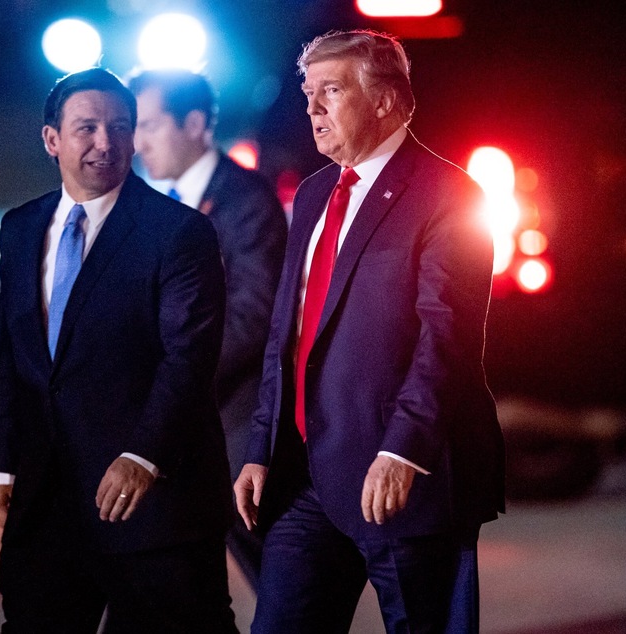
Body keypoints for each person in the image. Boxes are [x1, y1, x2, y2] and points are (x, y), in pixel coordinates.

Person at [233, 30, 506, 633]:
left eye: (330, 91)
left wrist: (402, 448)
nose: (312, 109)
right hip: (306, 478)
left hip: (402, 481)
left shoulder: (448, 195)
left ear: (385, 102)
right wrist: (261, 448)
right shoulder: (310, 196)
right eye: (308, 93)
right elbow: (288, 332)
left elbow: (447, 338)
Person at [0, 67, 238, 633]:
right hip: (47, 502)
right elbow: (13, 353)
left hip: (154, 511)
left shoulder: (177, 232)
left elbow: (187, 359)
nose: (107, 142)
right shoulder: (20, 229)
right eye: (88, 128)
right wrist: (0, 459)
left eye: (121, 127)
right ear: (52, 140)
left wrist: (142, 456)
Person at [128, 69, 288, 585]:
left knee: (276, 576)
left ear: (195, 123)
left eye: (149, 124)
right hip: (179, 423)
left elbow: (254, 313)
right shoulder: (154, 207)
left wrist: (176, 380)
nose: (137, 141)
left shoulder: (245, 200)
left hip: (235, 422)